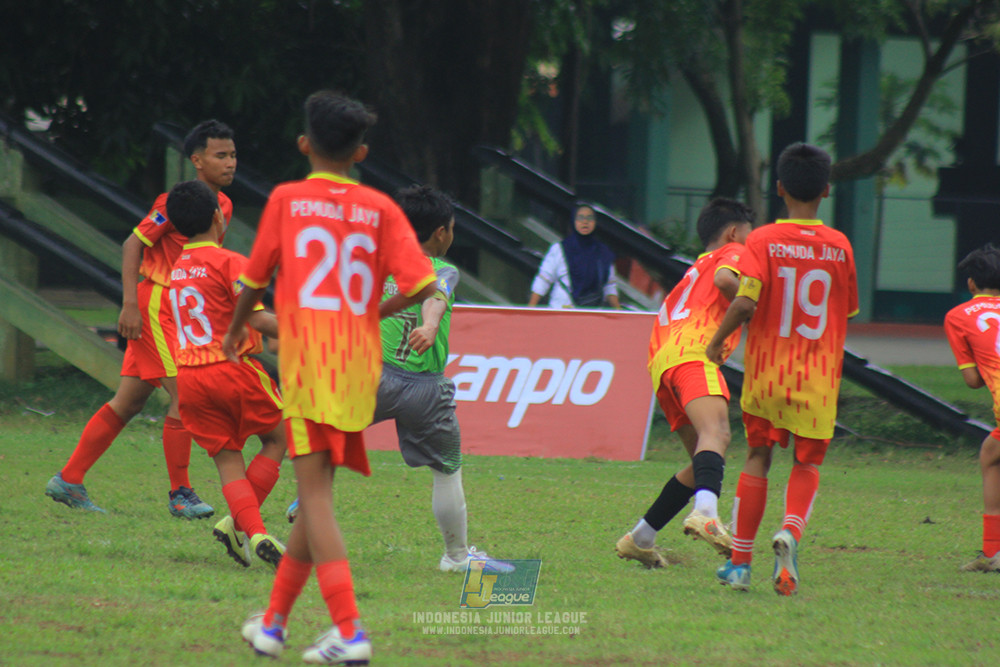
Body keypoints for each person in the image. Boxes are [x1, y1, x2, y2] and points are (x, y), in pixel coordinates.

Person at [225, 90, 436, 664]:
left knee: (314, 497)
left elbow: (253, 281)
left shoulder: (288, 199)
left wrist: (234, 331)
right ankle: (272, 624)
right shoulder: (382, 209)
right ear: (361, 151)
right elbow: (419, 286)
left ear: (303, 144)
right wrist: (372, 312)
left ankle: (350, 630)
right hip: (358, 367)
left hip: (310, 362)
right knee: (316, 491)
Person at [45, 120, 237, 517]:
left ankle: (70, 478)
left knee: (129, 400)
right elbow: (134, 243)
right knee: (185, 397)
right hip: (155, 307)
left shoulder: (224, 206)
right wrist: (129, 304)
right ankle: (181, 494)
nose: (230, 163)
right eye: (221, 155)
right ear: (197, 161)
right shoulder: (173, 203)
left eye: (233, 155)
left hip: (176, 310)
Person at [705, 142, 858, 596]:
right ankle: (790, 531)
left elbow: (746, 302)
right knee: (806, 463)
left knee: (758, 457)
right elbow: (846, 310)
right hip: (818, 378)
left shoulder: (762, 240)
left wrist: (716, 344)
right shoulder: (840, 246)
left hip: (768, 374)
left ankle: (739, 565)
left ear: (779, 188)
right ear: (826, 191)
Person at [615, 198, 754, 569]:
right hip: (694, 352)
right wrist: (753, 310)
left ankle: (640, 537)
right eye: (748, 236)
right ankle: (706, 512)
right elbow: (729, 282)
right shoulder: (734, 253)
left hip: (662, 361)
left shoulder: (693, 270)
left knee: (703, 460)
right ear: (732, 233)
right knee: (719, 433)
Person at [164, 179, 287, 571]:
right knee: (280, 436)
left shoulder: (176, 269)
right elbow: (257, 318)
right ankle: (242, 524)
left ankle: (251, 532)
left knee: (227, 460)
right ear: (219, 216)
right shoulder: (230, 262)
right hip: (231, 369)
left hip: (189, 379)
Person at [943, 243, 1000, 573]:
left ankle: (992, 552)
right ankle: (992, 552)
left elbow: (972, 381)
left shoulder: (958, 316)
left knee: (991, 454)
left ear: (971, 284)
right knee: (991, 453)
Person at [528, 204, 621, 309]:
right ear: (573, 221)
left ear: (595, 222)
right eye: (580, 218)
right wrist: (530, 310)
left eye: (589, 218)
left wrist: (619, 313)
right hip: (562, 311)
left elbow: (610, 286)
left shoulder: (603, 253)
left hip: (592, 315)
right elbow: (544, 279)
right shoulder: (559, 249)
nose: (585, 222)